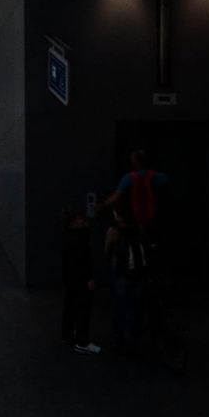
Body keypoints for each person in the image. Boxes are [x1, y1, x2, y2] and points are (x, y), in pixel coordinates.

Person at [104, 208, 149, 352]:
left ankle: (119, 340)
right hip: (138, 275)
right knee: (134, 309)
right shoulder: (139, 228)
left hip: (121, 274)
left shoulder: (113, 231)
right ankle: (133, 340)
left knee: (120, 309)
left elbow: (107, 253)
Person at [61, 208, 102, 355]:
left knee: (70, 307)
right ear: (74, 221)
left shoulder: (68, 237)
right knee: (83, 310)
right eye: (80, 219)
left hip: (71, 279)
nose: (83, 220)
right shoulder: (81, 239)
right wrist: (89, 278)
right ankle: (82, 341)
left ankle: (67, 334)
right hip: (81, 281)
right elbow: (84, 261)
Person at [103, 149, 169, 237]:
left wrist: (102, 204)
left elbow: (116, 196)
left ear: (136, 162)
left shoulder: (129, 178)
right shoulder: (158, 177)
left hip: (135, 219)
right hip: (156, 218)